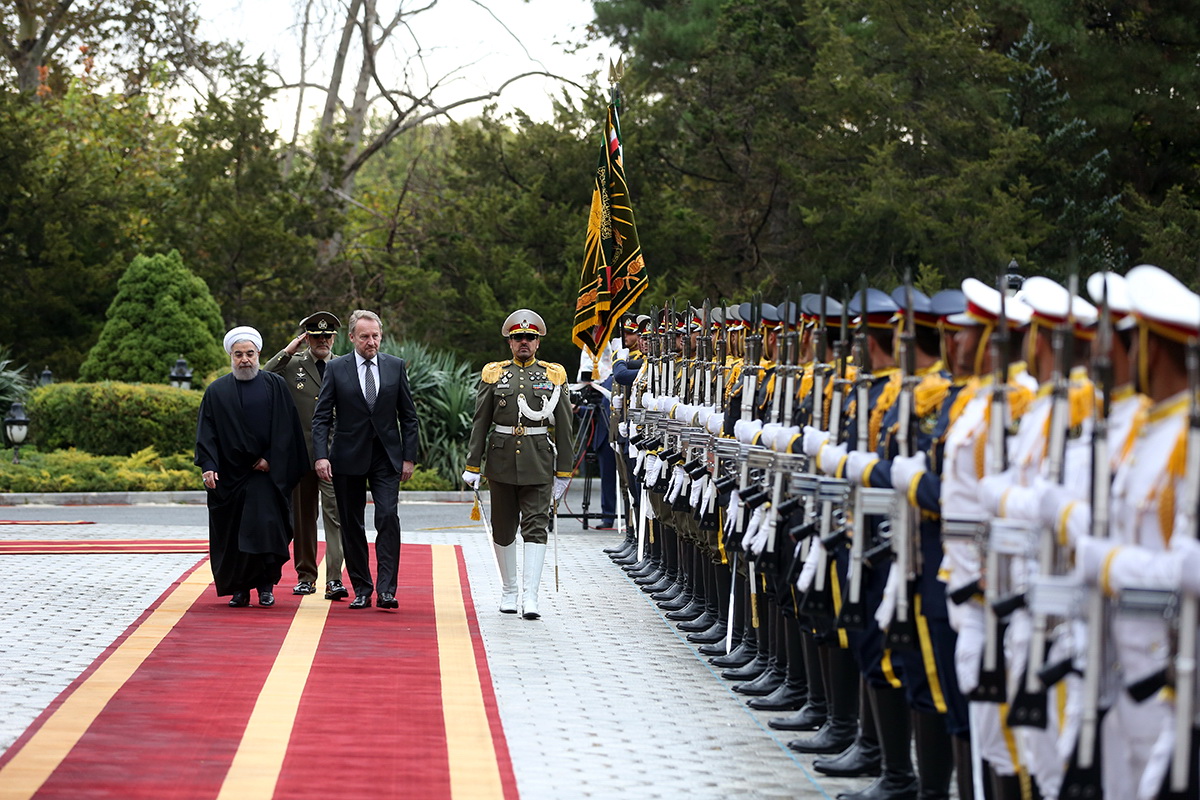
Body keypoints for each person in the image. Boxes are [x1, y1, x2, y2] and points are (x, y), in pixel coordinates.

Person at [462, 309, 573, 619]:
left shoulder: (553, 375)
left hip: (538, 461)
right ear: (510, 342)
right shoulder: (494, 374)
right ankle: (509, 590)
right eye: (518, 338)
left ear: (538, 343)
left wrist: (564, 471)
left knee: (536, 527)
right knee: (503, 527)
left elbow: (565, 425)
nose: (524, 342)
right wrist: (473, 465)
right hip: (500, 460)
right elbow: (480, 421)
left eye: (530, 337)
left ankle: (531, 596)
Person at [311, 310, 420, 611]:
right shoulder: (336, 368)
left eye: (375, 336)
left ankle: (386, 590)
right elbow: (321, 419)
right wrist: (321, 456)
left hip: (386, 458)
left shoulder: (395, 367)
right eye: (364, 337)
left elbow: (408, 417)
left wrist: (408, 458)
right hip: (347, 458)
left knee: (387, 517)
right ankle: (362, 588)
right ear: (352, 338)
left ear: (381, 336)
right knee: (351, 524)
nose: (371, 342)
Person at [195, 326, 308, 608]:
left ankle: (265, 587)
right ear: (231, 357)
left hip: (266, 475)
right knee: (233, 536)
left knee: (266, 531)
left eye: (249, 354)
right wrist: (208, 465)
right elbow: (206, 432)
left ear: (258, 354)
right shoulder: (217, 391)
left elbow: (287, 429)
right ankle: (240, 589)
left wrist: (270, 458)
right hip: (230, 477)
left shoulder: (275, 385)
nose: (244, 360)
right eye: (238, 355)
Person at [264, 310, 348, 600]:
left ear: (334, 338)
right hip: (302, 455)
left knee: (335, 518)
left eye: (327, 336)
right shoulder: (294, 365)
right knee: (303, 518)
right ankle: (305, 576)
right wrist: (288, 351)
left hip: (336, 457)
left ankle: (335, 579)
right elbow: (264, 375)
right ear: (307, 338)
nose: (322, 341)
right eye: (315, 336)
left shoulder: (345, 366)